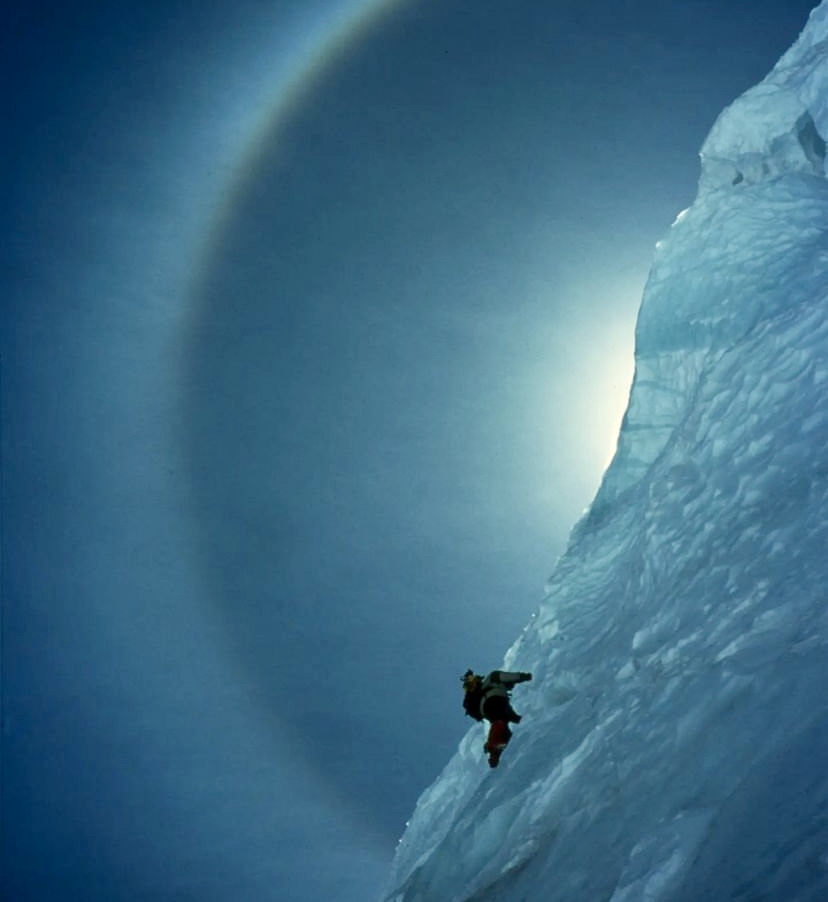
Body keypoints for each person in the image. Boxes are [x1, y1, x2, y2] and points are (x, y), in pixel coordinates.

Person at [461, 668, 533, 767]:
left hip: (490, 707)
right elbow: (504, 676)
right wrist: (523, 676)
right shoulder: (491, 680)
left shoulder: (483, 694)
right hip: (492, 701)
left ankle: (497, 751)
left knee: (504, 722)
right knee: (501, 719)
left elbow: (510, 713)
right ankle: (493, 745)